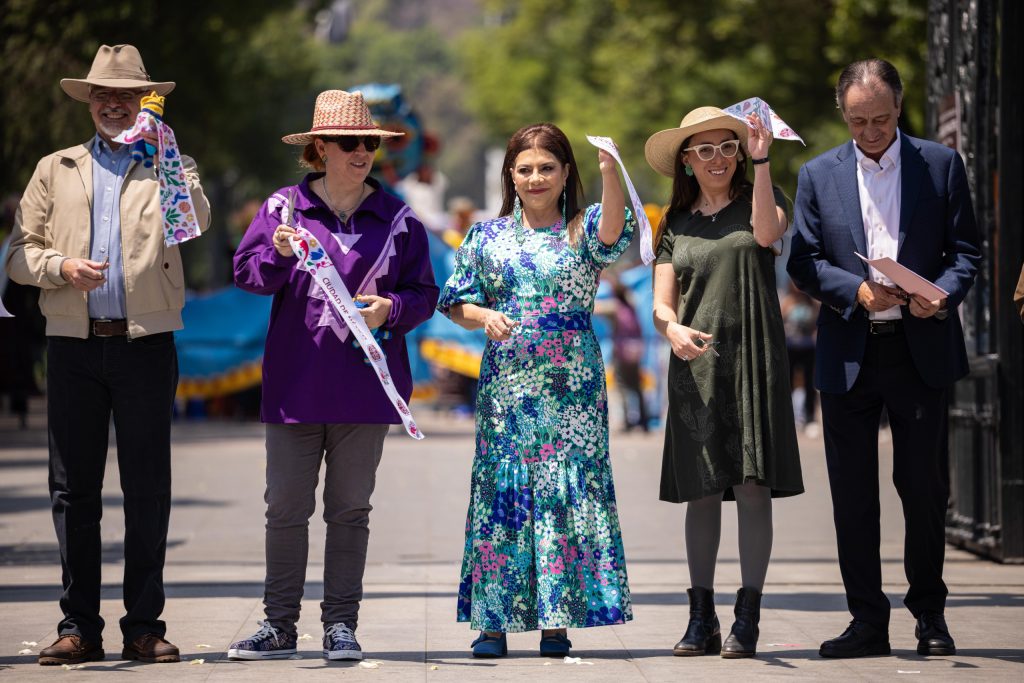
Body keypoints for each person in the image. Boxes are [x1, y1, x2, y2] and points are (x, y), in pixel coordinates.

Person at [4, 45, 210, 666]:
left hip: (145, 344)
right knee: (73, 491)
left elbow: (192, 222)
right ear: (88, 101)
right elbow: (18, 254)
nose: (113, 105)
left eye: (126, 96)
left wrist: (165, 154)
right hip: (71, 346)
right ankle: (79, 626)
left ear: (144, 101)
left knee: (147, 487)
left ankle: (144, 625)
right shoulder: (54, 168)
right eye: (103, 95)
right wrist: (61, 267)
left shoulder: (174, 166)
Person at [230, 90, 438, 662]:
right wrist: (274, 251)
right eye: (350, 143)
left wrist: (389, 310)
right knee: (285, 509)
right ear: (319, 147)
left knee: (350, 510)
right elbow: (248, 276)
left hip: (368, 390)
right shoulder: (282, 209)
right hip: (294, 388)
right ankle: (278, 626)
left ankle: (340, 626)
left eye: (370, 143)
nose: (362, 153)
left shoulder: (398, 218)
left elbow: (425, 294)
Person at [787, 58, 981, 659]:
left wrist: (940, 293)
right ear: (842, 115)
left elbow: (966, 249)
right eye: (856, 121)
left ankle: (929, 615)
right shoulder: (818, 174)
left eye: (880, 118)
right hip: (849, 350)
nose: (870, 131)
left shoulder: (941, 165)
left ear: (899, 107)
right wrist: (857, 291)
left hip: (918, 350)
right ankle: (867, 620)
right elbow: (803, 260)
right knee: (852, 495)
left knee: (923, 489)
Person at [438, 122, 635, 658]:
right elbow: (455, 303)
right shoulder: (486, 235)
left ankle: (556, 621)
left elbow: (616, 233)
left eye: (547, 167)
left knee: (564, 492)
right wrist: (483, 315)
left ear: (565, 172)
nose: (535, 177)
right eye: (524, 169)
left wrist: (611, 172)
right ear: (511, 175)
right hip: (508, 390)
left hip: (573, 388)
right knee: (503, 494)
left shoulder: (585, 228)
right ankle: (493, 625)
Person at [646, 106, 804, 659]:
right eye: (704, 149)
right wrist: (672, 329)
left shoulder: (766, 193)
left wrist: (761, 161)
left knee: (754, 488)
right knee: (703, 491)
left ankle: (747, 617)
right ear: (686, 161)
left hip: (755, 360)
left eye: (727, 147)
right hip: (696, 367)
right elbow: (661, 305)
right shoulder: (674, 222)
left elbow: (766, 233)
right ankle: (700, 618)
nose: (717, 158)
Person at [608, 276, 650, 431]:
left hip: (622, 352)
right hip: (636, 350)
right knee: (637, 387)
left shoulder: (615, 309)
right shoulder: (631, 307)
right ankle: (644, 421)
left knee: (622, 386)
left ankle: (627, 422)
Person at [780, 279, 820, 433]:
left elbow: (817, 324)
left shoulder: (812, 303)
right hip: (790, 348)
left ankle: (810, 418)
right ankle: (788, 417)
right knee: (788, 383)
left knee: (810, 384)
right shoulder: (787, 301)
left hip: (808, 348)